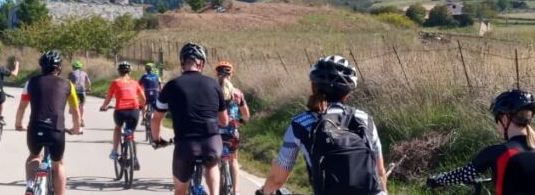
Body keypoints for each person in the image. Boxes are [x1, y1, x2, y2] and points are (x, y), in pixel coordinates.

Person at [258, 56, 388, 195]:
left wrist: (263, 192)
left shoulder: (301, 124)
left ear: (314, 87)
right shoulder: (365, 119)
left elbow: (277, 180)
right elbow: (379, 173)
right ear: (346, 94)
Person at [426, 90, 535, 195]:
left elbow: (464, 174)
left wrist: (438, 180)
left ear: (504, 119)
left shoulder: (499, 153)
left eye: (496, 119)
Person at [152, 43, 230, 195]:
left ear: (182, 63)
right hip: (211, 142)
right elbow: (224, 121)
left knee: (180, 190)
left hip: (185, 144)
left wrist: (157, 139)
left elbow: (156, 119)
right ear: (201, 63)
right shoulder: (213, 84)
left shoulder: (171, 85)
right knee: (212, 165)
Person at [19, 50, 84, 195]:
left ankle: (30, 186)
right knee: (58, 164)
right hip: (56, 130)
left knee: (34, 156)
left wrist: (18, 124)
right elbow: (75, 111)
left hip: (35, 128)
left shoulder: (30, 82)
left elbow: (22, 107)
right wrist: (76, 128)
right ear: (59, 68)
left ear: (42, 67)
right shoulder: (68, 84)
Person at [214, 61, 251, 194]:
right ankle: (236, 191)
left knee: (214, 162)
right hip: (232, 132)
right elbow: (246, 115)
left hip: (215, 133)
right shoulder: (238, 93)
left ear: (217, 74)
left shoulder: (212, 91)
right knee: (233, 159)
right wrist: (241, 121)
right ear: (231, 74)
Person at [99, 62, 146, 164]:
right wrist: (141, 106)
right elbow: (143, 98)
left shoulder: (115, 82)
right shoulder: (135, 83)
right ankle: (134, 158)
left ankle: (115, 151)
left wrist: (104, 106)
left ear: (119, 71)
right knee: (131, 133)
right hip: (134, 110)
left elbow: (109, 97)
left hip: (120, 111)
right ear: (129, 71)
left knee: (118, 128)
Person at [68, 60, 91, 126]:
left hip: (74, 91)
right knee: (82, 106)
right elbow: (88, 82)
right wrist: (89, 88)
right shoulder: (84, 73)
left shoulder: (71, 73)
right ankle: (82, 119)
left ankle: (73, 115)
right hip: (82, 91)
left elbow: (68, 82)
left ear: (73, 67)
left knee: (73, 106)